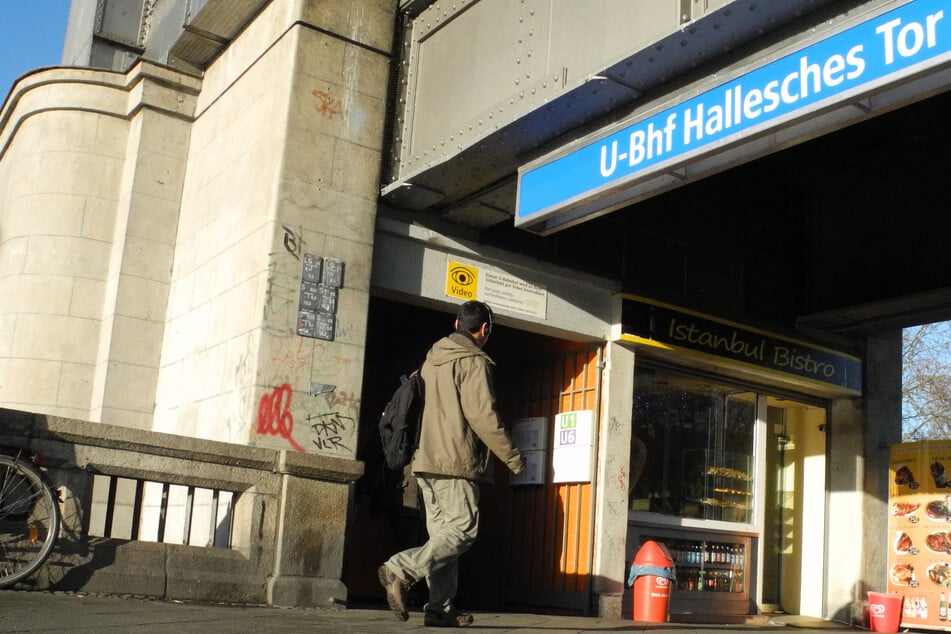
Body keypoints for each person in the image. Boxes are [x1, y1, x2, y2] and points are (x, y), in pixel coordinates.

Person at [378, 300, 525, 628]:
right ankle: (399, 569)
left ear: (457, 323)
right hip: (453, 461)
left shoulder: (432, 358)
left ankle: (439, 608)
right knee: (462, 530)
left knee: (443, 538)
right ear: (484, 329)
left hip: (424, 461)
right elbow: (483, 416)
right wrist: (513, 457)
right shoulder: (473, 361)